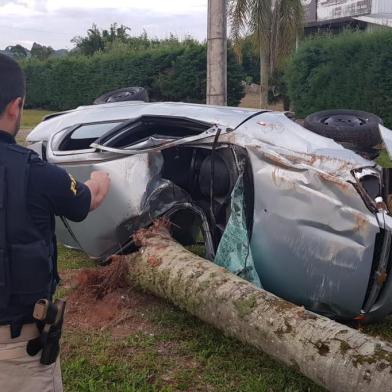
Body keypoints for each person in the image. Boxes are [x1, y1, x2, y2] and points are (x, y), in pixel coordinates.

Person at [0, 53, 110, 391]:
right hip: (16, 349)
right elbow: (86, 200)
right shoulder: (34, 172)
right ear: (15, 106)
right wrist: (102, 174)